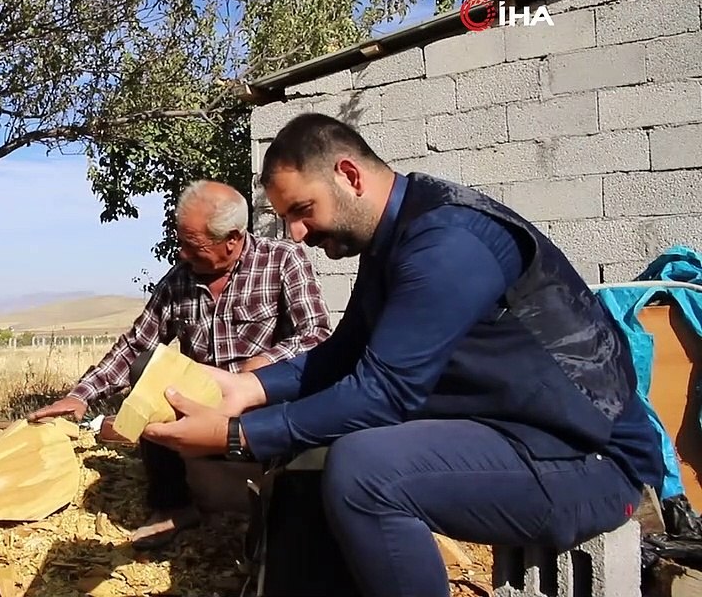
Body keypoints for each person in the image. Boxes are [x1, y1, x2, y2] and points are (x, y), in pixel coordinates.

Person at [140, 113, 666, 597]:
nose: (296, 235)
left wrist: (237, 436)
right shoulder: (395, 236)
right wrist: (249, 388)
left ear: (349, 175)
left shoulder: (447, 244)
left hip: (590, 463)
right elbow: (344, 353)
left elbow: (384, 392)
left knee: (365, 472)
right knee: (314, 453)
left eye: (301, 211)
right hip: (519, 434)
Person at [28, 179, 332, 548]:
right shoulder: (178, 281)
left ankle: (284, 504)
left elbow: (317, 334)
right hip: (198, 402)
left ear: (232, 239)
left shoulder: (282, 260)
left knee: (304, 390)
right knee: (146, 369)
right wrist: (81, 395)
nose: (183, 254)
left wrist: (264, 366)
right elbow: (136, 345)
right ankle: (173, 505)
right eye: (181, 243)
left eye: (194, 246)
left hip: (261, 401)